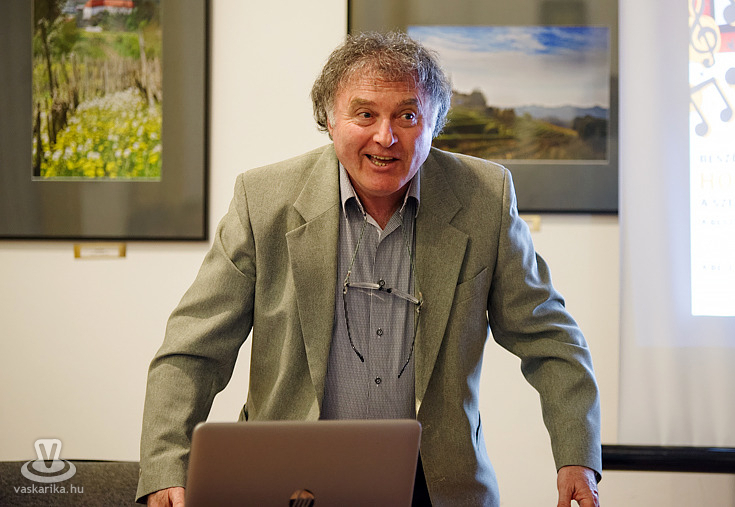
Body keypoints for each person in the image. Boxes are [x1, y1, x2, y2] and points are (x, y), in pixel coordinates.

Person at [137, 32, 601, 507]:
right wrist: (165, 467)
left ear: (435, 122)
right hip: (291, 483)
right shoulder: (264, 201)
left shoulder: (485, 197)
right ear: (329, 120)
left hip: (438, 487)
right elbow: (193, 350)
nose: (385, 137)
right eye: (364, 114)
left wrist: (577, 457)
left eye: (407, 116)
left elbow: (550, 339)